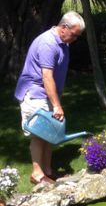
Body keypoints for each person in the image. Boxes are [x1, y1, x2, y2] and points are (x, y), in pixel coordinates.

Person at [15, 11, 85, 184]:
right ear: (63, 28)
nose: (75, 39)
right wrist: (57, 105)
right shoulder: (48, 44)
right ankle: (37, 174)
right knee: (39, 133)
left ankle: (48, 171)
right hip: (35, 93)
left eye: (78, 36)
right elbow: (47, 77)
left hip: (46, 93)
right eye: (74, 35)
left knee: (49, 134)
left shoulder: (63, 42)